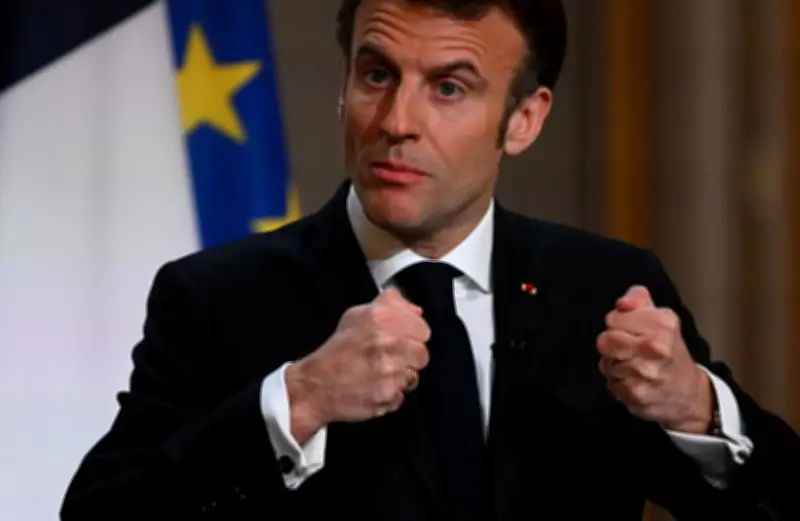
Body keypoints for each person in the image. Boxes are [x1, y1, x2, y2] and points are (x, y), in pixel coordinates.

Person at [60, 0, 800, 519]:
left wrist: (699, 410)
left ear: (524, 119)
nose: (397, 122)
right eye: (377, 74)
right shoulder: (218, 297)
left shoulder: (604, 290)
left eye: (448, 88)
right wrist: (299, 400)